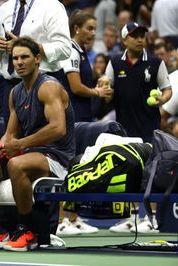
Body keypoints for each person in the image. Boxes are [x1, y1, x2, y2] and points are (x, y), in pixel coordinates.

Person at [0, 37, 75, 251]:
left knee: (16, 164)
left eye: (25, 57)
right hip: (28, 153)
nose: (19, 62)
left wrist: (20, 144)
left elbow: (58, 128)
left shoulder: (48, 88)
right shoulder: (15, 93)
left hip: (56, 157)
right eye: (15, 58)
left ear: (37, 59)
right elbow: (10, 135)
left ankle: (27, 230)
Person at [102, 22, 172, 234]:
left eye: (142, 35)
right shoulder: (114, 63)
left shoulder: (155, 63)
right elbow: (107, 84)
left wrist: (161, 99)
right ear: (125, 40)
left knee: (150, 173)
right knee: (128, 172)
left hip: (149, 127)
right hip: (124, 129)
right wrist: (104, 88)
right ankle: (131, 218)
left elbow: (167, 90)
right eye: (135, 36)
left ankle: (150, 218)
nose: (140, 39)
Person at [0, 0, 71, 122]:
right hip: (10, 86)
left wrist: (24, 47)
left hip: (43, 83)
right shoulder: (4, 9)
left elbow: (64, 49)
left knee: (43, 137)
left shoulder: (52, 6)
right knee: (12, 137)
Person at [60, 10, 112, 122]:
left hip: (82, 112)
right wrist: (97, 92)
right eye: (89, 28)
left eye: (95, 29)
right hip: (74, 115)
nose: (93, 33)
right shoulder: (72, 52)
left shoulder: (81, 50)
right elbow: (76, 87)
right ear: (76, 29)